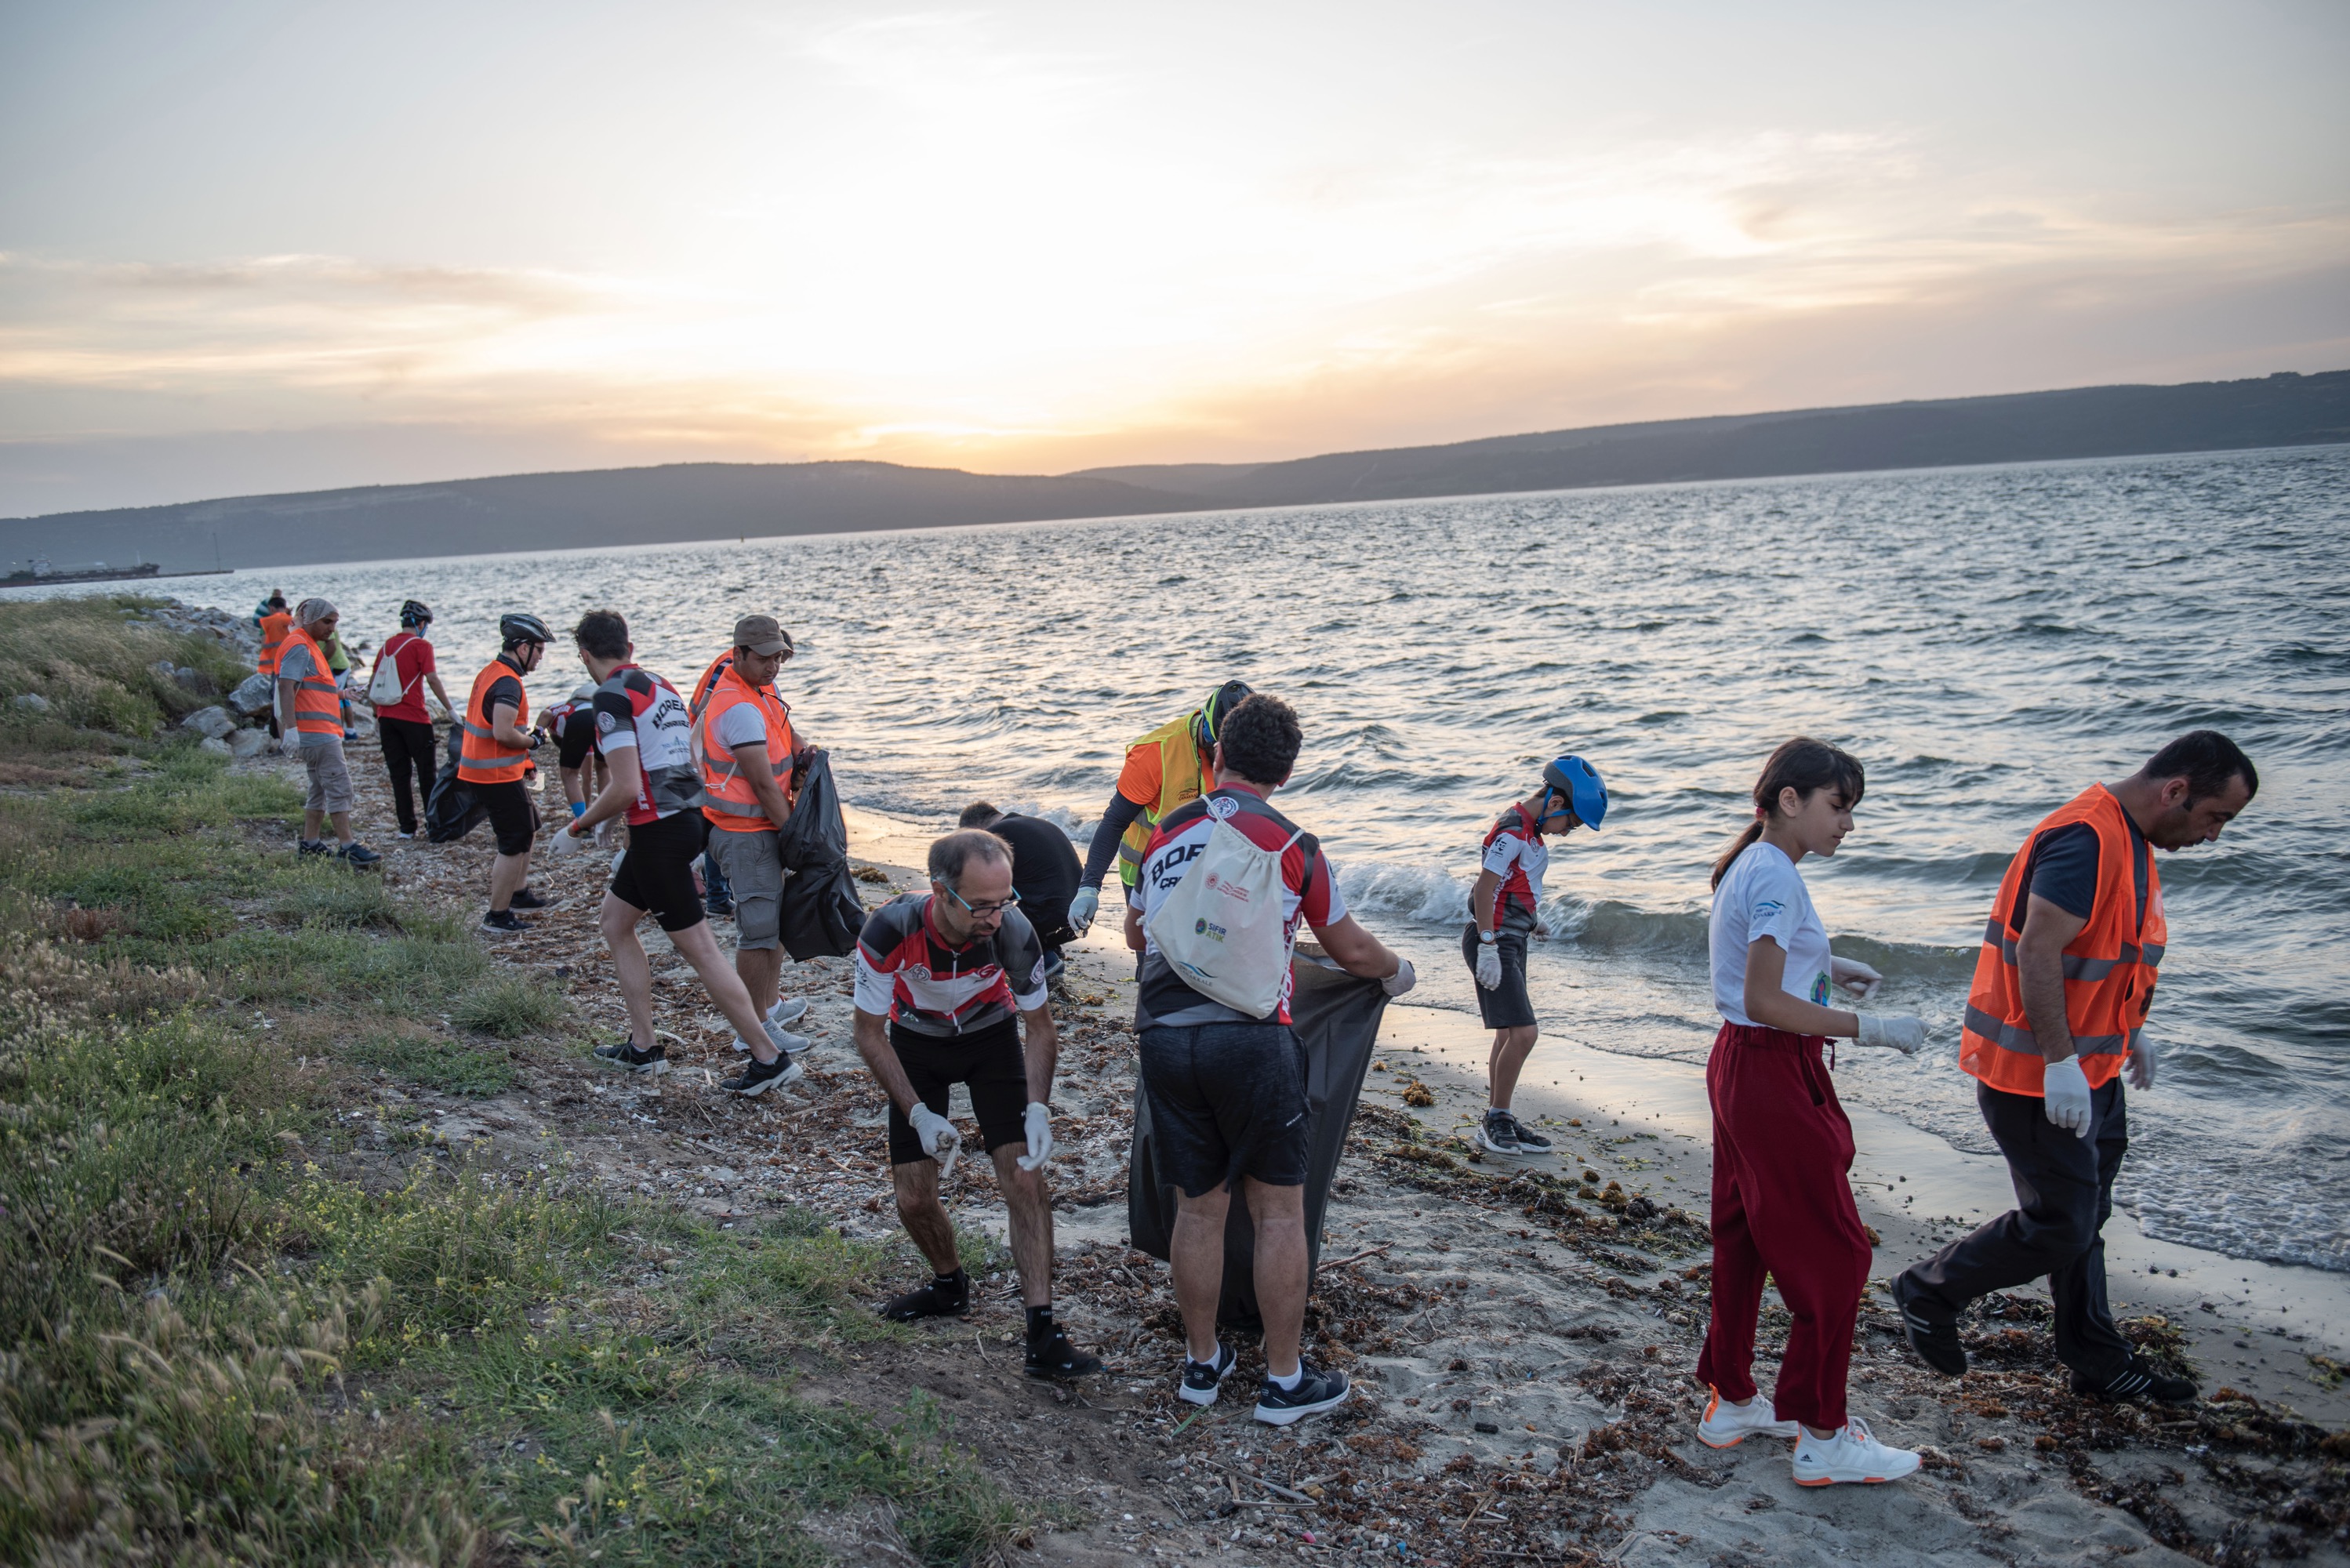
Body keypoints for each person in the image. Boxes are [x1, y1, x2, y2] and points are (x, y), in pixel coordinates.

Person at [1891, 731, 2258, 1405]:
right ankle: (1926, 1291)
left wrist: (2132, 1034)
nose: (2214, 836)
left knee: (2086, 1218)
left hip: (2093, 1071)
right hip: (2034, 1078)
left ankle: (2095, 1359)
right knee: (2060, 1222)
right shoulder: (2086, 836)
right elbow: (2037, 951)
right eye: (2215, 817)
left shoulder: (2131, 838)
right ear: (2174, 791)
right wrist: (2061, 1063)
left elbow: (2106, 957)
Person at [1126, 693, 1417, 1425]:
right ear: (1284, 776)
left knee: (1198, 1208)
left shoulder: (1167, 831)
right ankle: (1283, 1382)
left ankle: (1201, 1365)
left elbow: (1137, 934)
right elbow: (1348, 947)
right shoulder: (1292, 845)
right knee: (1278, 1211)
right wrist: (1393, 971)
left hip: (1162, 1033)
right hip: (1250, 1039)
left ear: (1217, 756)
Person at [1695, 737, 1926, 1486]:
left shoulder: (1752, 864)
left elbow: (1758, 970)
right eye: (1839, 807)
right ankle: (1823, 1433)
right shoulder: (1774, 875)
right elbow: (1765, 999)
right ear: (1789, 799)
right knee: (1837, 1252)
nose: (1846, 826)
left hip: (1738, 1062)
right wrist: (1877, 1030)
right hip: (1771, 1070)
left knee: (1745, 1236)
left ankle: (1732, 1399)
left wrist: (1827, 964)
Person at [852, 829, 1101, 1380]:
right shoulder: (889, 928)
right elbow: (868, 1032)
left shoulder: (1013, 931)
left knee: (1025, 1180)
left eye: (1004, 901)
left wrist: (1038, 1108)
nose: (996, 916)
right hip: (916, 1043)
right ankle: (948, 1286)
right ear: (941, 892)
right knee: (913, 1197)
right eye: (982, 905)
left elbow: (1040, 1028)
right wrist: (917, 1113)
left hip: (990, 1041)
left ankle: (1041, 1330)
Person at [544, 609, 801, 1094]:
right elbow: (675, 758)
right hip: (683, 819)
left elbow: (622, 786)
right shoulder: (659, 684)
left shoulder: (609, 697)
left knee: (702, 950)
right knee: (616, 923)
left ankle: (769, 1058)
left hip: (658, 833)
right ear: (630, 648)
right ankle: (643, 1046)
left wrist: (579, 826)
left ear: (584, 655)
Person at [1464, 755, 1607, 1156]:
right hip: (1492, 939)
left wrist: (1531, 920)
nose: (1568, 833)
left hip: (1510, 935)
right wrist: (1489, 945)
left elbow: (1512, 886)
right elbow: (1482, 891)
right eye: (1573, 824)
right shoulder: (1513, 832)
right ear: (1557, 804)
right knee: (1525, 1033)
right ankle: (1497, 1119)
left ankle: (1499, 1115)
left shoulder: (1530, 832)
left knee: (1510, 1032)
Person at [692, 615, 815, 1052]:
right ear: (737, 653)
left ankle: (768, 1004)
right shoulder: (738, 706)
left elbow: (785, 733)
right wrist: (794, 836)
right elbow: (762, 784)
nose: (773, 666)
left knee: (773, 924)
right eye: (763, 658)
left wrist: (805, 751)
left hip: (762, 827)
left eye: (779, 656)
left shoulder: (760, 690)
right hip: (745, 832)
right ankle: (755, 1028)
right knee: (758, 931)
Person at [1070, 680, 1252, 940]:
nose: (1222, 759)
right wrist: (1089, 887)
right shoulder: (1155, 754)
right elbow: (1114, 822)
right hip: (1146, 874)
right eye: (1217, 748)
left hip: (1203, 874)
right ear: (1208, 727)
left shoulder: (1240, 758)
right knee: (1153, 957)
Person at [459, 612, 558, 931]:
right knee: (514, 840)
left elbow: (492, 731)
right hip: (494, 775)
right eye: (539, 650)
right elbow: (503, 733)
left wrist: (525, 762)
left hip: (494, 770)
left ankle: (519, 893)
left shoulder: (492, 672)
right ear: (523, 647)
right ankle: (498, 915)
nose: (541, 657)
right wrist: (534, 740)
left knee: (529, 824)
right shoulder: (508, 683)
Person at [271, 598, 380, 867]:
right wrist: (291, 730)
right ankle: (348, 847)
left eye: (335, 622)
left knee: (319, 788)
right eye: (327, 622)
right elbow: (286, 687)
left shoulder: (308, 645)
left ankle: (310, 844)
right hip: (316, 734)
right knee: (338, 786)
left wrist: (343, 694)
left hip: (316, 732)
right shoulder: (299, 645)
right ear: (309, 618)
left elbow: (310, 688)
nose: (331, 629)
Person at [960, 802, 1082, 985]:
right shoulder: (1033, 824)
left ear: (976, 829)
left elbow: (983, 888)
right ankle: (1050, 949)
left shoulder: (994, 836)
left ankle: (1044, 960)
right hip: (1078, 919)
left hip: (1050, 917)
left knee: (982, 912)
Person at [368, 600, 455, 840]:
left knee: (399, 775)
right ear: (422, 624)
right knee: (427, 774)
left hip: (387, 718)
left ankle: (406, 828)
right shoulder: (421, 645)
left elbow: (374, 681)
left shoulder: (387, 645)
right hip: (415, 718)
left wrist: (378, 715)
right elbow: (432, 679)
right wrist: (450, 710)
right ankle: (433, 825)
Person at [539, 680, 609, 822]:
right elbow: (587, 776)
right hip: (602, 715)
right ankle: (603, 818)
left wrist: (536, 734)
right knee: (602, 767)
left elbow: (546, 713)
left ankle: (582, 821)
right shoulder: (568, 708)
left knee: (569, 774)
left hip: (579, 718)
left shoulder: (556, 711)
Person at [256, 593, 292, 740]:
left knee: (279, 703)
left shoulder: (266, 622)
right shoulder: (293, 621)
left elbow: (264, 643)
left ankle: (281, 738)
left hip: (277, 667)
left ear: (271, 608)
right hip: (295, 666)